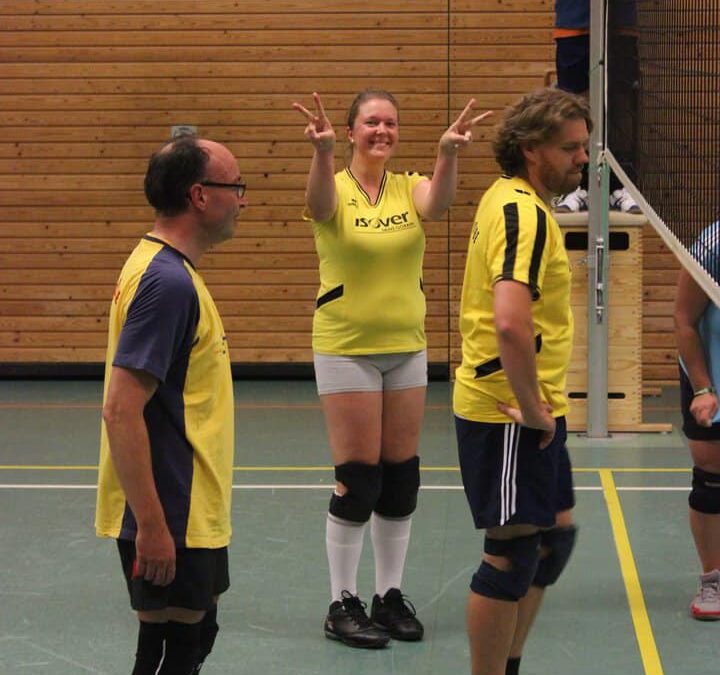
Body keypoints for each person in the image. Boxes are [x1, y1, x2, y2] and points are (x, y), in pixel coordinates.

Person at [292, 90, 491, 649]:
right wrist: (321, 153)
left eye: (391, 123)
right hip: (347, 347)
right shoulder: (334, 186)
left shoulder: (408, 186)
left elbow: (438, 206)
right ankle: (342, 602)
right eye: (371, 122)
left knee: (401, 478)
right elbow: (319, 206)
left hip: (406, 346)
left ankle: (389, 595)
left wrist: (448, 153)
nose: (382, 131)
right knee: (359, 479)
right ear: (352, 131)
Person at [95, 135, 247, 673]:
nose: (242, 200)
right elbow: (121, 410)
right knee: (184, 649)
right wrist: (154, 526)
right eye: (236, 186)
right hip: (173, 510)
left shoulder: (161, 267)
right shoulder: (167, 283)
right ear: (200, 196)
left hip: (183, 505)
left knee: (165, 648)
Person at [453, 88, 591, 675]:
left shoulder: (513, 198)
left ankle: (510, 663)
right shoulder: (523, 214)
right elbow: (510, 321)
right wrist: (534, 409)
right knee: (510, 553)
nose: (582, 159)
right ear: (531, 149)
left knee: (551, 538)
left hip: (534, 405)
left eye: (584, 147)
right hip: (508, 409)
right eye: (570, 148)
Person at [553, 0, 640, 214]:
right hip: (574, 22)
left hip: (619, 23)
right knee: (574, 105)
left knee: (621, 105)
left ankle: (620, 185)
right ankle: (578, 185)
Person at [674, 222, 720, 621]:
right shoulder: (712, 243)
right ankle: (713, 578)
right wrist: (703, 388)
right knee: (711, 478)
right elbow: (684, 319)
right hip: (712, 374)